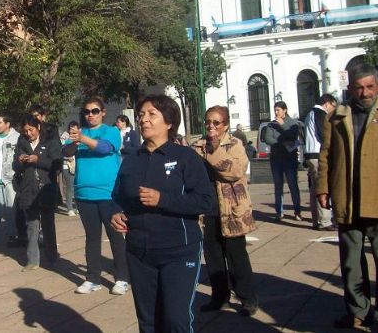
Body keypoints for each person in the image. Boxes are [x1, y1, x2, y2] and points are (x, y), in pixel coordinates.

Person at [111, 95, 215, 332]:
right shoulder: (131, 160)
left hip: (178, 251)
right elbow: (117, 196)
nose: (143, 120)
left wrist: (163, 200)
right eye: (141, 115)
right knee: (148, 322)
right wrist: (116, 212)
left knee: (175, 319)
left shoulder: (185, 157)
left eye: (151, 114)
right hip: (139, 251)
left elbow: (206, 201)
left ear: (169, 122)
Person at [317, 64, 378, 332]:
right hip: (347, 198)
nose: (365, 93)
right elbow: (326, 155)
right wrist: (322, 188)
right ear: (350, 88)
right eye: (359, 87)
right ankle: (359, 311)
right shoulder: (336, 117)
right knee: (351, 263)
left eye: (370, 87)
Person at [192, 106, 259, 317]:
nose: (211, 126)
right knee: (213, 258)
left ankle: (247, 299)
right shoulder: (197, 147)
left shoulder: (235, 144)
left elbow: (234, 172)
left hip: (232, 210)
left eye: (216, 123)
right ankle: (219, 297)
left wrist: (213, 151)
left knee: (237, 257)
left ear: (226, 125)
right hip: (209, 210)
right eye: (208, 122)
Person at [62, 97, 129, 295]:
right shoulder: (77, 133)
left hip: (109, 194)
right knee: (92, 238)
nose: (90, 115)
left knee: (116, 236)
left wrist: (83, 139)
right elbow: (66, 150)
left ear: (103, 112)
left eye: (95, 111)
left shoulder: (111, 131)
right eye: (87, 111)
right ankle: (93, 279)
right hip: (84, 194)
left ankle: (122, 278)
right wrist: (75, 141)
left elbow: (105, 148)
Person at [13, 115, 61, 270]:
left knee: (48, 225)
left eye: (31, 130)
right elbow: (15, 167)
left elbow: (56, 164)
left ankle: (52, 258)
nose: (28, 133)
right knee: (32, 225)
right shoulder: (22, 143)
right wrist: (19, 161)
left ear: (38, 127)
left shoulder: (50, 142)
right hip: (28, 189)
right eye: (25, 130)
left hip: (46, 187)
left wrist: (37, 160)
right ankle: (32, 260)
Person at [260, 101, 303, 222]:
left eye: (278, 110)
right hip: (276, 159)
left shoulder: (292, 123)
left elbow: (293, 135)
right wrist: (281, 143)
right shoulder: (271, 125)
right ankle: (279, 211)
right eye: (275, 110)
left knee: (293, 185)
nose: (276, 112)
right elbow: (268, 139)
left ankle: (297, 211)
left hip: (290, 159)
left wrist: (283, 125)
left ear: (285, 110)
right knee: (278, 186)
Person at [304, 93, 338, 231]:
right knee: (322, 187)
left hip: (310, 154)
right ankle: (324, 221)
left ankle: (316, 220)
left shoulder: (309, 114)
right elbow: (324, 134)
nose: (333, 110)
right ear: (327, 103)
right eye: (333, 106)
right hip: (317, 154)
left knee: (314, 189)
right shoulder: (320, 113)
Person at [0, 112, 20, 242]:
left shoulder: (17, 138)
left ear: (7, 124)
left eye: (0, 122)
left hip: (10, 180)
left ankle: (13, 235)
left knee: (11, 209)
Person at [60, 121, 78, 217]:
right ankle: (69, 208)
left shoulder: (81, 137)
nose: (72, 129)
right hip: (66, 165)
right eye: (71, 127)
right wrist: (67, 157)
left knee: (77, 186)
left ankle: (78, 207)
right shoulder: (65, 137)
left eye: (74, 127)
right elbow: (60, 151)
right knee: (69, 186)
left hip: (77, 165)